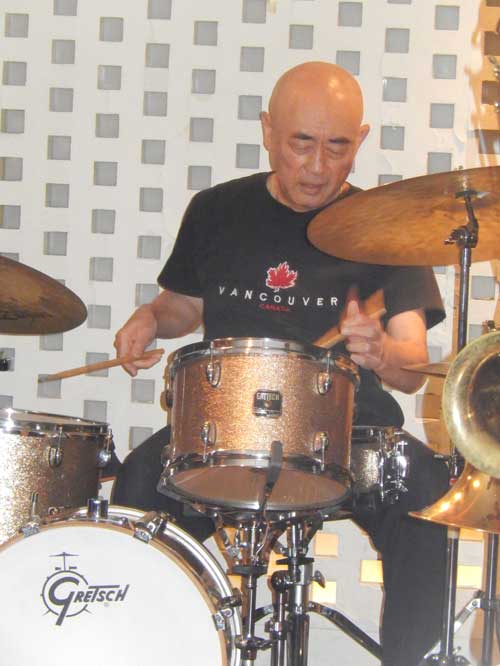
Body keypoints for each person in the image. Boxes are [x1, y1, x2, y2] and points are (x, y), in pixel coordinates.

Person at [112, 61, 448, 666]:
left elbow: (413, 364)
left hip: (351, 435)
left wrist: (383, 352)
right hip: (226, 428)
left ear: (361, 140)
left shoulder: (390, 229)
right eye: (301, 143)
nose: (317, 166)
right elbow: (184, 306)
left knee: (426, 495)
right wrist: (150, 318)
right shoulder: (217, 210)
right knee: (138, 485)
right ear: (268, 130)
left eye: (337, 147)